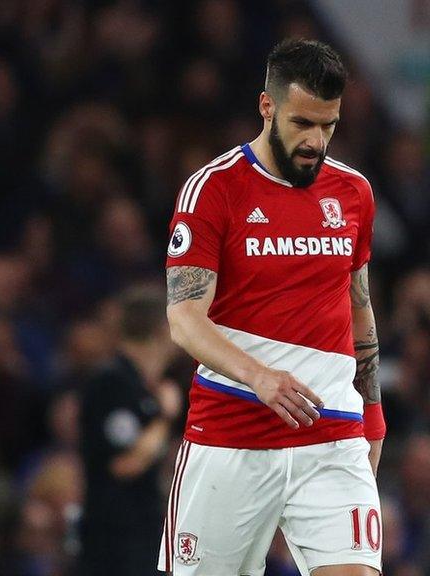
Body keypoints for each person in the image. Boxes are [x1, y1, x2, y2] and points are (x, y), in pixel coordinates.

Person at [161, 39, 385, 575]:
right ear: (268, 106)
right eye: (303, 123)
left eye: (328, 126)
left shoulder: (353, 193)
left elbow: (359, 305)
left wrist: (372, 415)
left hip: (331, 435)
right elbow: (184, 319)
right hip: (230, 436)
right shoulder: (213, 190)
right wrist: (259, 377)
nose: (316, 141)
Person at [78, 286, 182, 575]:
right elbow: (125, 464)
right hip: (115, 541)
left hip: (139, 534)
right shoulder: (111, 383)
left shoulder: (142, 386)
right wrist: (164, 418)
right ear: (164, 328)